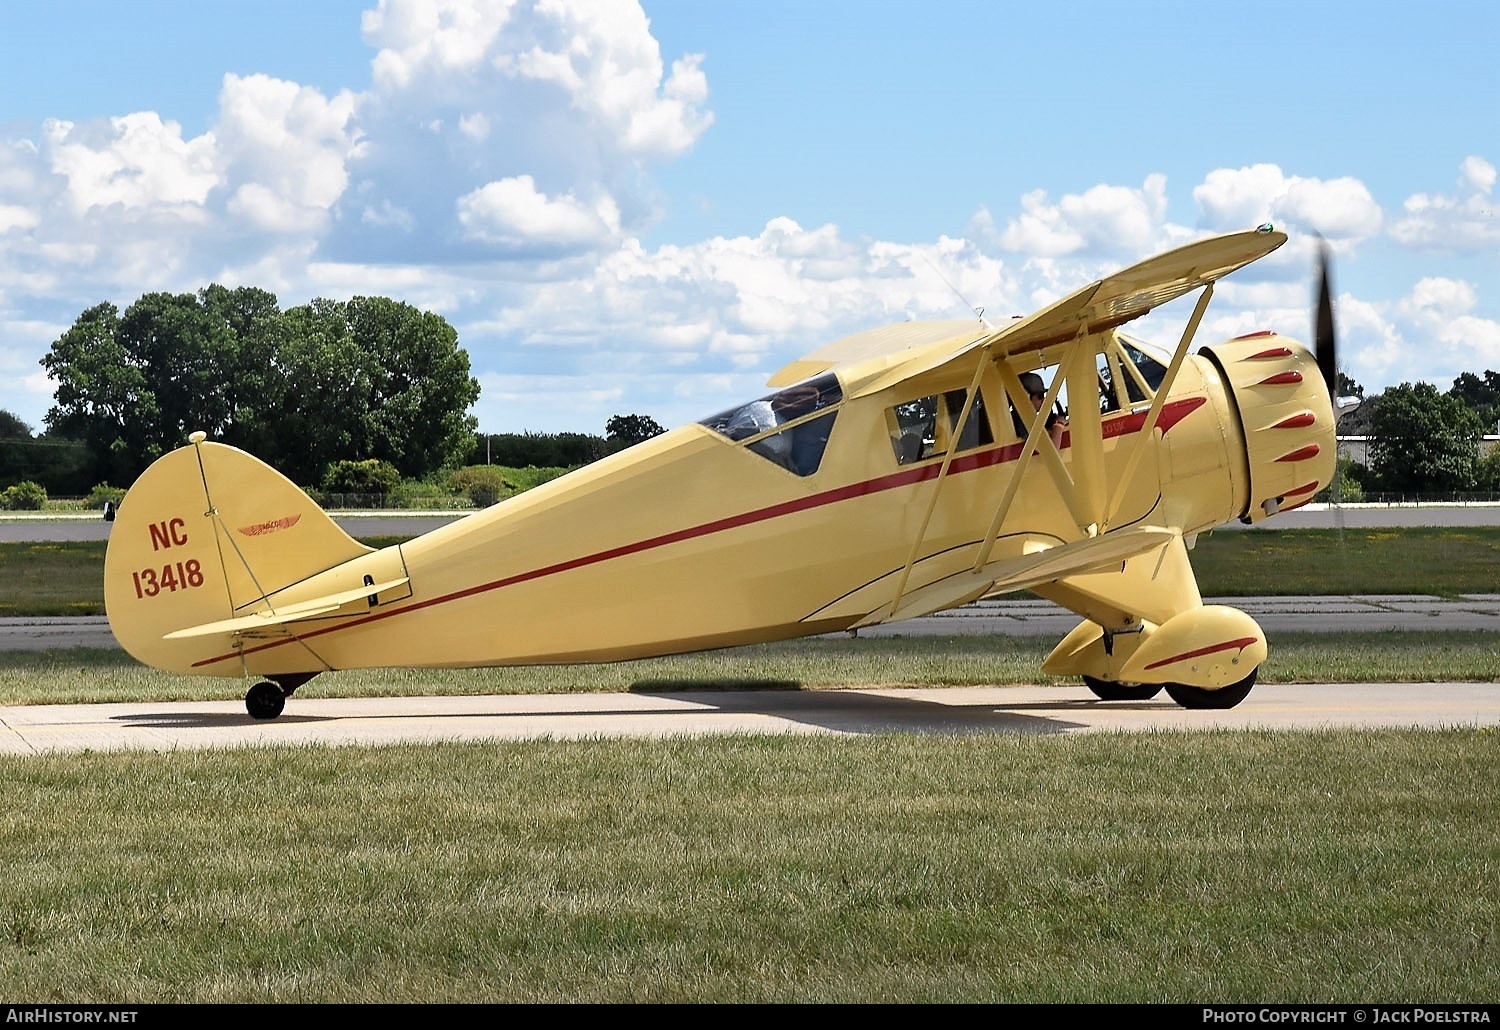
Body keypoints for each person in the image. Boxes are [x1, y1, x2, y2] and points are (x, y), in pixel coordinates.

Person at [1013, 371, 1067, 448]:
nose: (1043, 400)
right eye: (1040, 396)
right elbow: (1051, 449)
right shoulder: (1021, 421)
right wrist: (1059, 424)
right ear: (1026, 397)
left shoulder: (1027, 418)